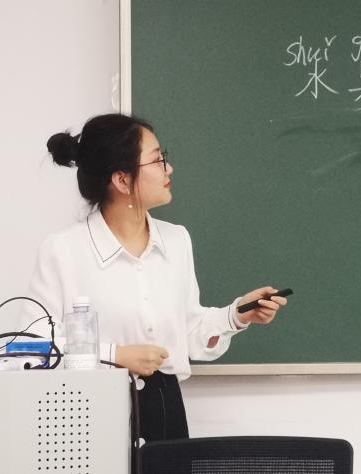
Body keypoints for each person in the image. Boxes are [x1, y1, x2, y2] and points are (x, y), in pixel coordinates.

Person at [22, 113, 287, 442]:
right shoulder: (64, 250)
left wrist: (236, 315)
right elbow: (31, 347)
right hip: (91, 412)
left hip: (164, 407)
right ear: (122, 180)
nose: (169, 168)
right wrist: (115, 355)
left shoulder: (176, 240)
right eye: (158, 160)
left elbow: (187, 332)